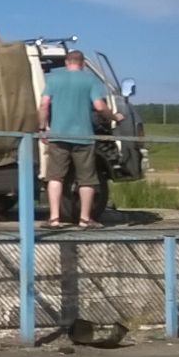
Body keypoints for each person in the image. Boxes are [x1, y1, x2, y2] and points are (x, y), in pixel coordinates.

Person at [37, 50, 124, 229]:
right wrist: (114, 117)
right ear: (83, 63)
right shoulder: (90, 80)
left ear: (66, 62)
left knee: (55, 177)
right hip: (84, 137)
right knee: (87, 179)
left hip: (58, 135)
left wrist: (42, 128)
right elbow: (99, 106)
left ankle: (54, 219)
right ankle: (85, 219)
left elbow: (44, 104)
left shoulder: (54, 79)